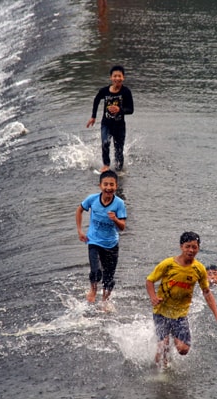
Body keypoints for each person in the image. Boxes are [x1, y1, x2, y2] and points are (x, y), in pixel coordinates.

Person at [146, 232, 217, 368]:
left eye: (194, 247)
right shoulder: (168, 264)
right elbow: (149, 281)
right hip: (161, 311)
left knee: (183, 350)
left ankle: (169, 341)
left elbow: (207, 292)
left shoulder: (199, 269)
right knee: (163, 346)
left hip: (180, 314)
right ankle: (158, 370)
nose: (191, 250)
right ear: (181, 247)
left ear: (198, 248)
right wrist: (153, 297)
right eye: (187, 246)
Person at [76, 170, 127, 303]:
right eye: (105, 184)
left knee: (109, 278)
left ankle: (105, 301)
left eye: (112, 185)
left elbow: (122, 227)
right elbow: (79, 210)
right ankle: (93, 289)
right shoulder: (92, 199)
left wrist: (115, 219)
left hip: (111, 244)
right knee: (96, 270)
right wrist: (80, 231)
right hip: (94, 241)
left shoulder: (119, 203)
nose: (108, 188)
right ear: (100, 186)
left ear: (116, 186)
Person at [86, 65, 134, 172]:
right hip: (106, 123)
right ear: (111, 78)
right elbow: (96, 100)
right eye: (115, 76)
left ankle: (119, 171)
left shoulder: (126, 92)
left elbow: (131, 110)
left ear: (123, 78)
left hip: (119, 126)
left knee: (119, 150)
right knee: (105, 143)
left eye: (119, 76)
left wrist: (119, 110)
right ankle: (106, 165)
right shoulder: (105, 91)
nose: (117, 78)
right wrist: (93, 116)